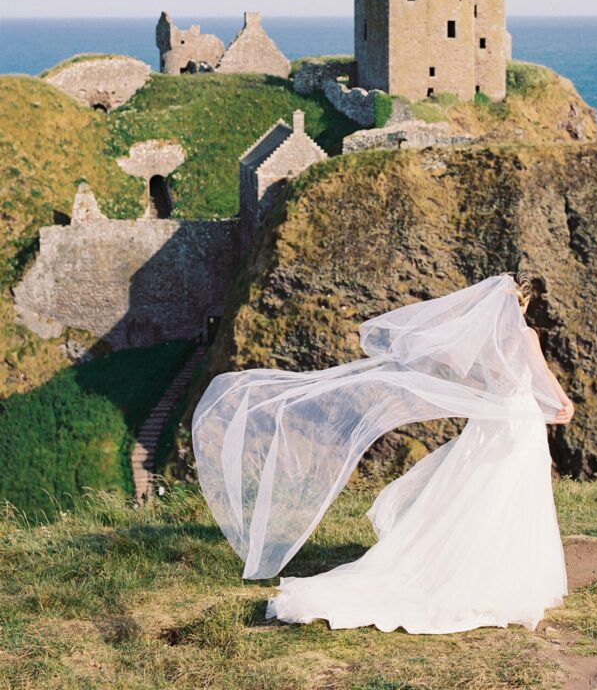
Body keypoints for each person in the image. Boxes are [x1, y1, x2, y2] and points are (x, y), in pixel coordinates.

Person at [192, 271, 575, 635]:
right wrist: (563, 402)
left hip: (491, 423)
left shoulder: (486, 342)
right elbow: (542, 378)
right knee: (510, 495)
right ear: (523, 305)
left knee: (480, 493)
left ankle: (470, 566)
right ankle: (504, 575)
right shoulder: (526, 337)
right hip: (517, 424)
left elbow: (481, 379)